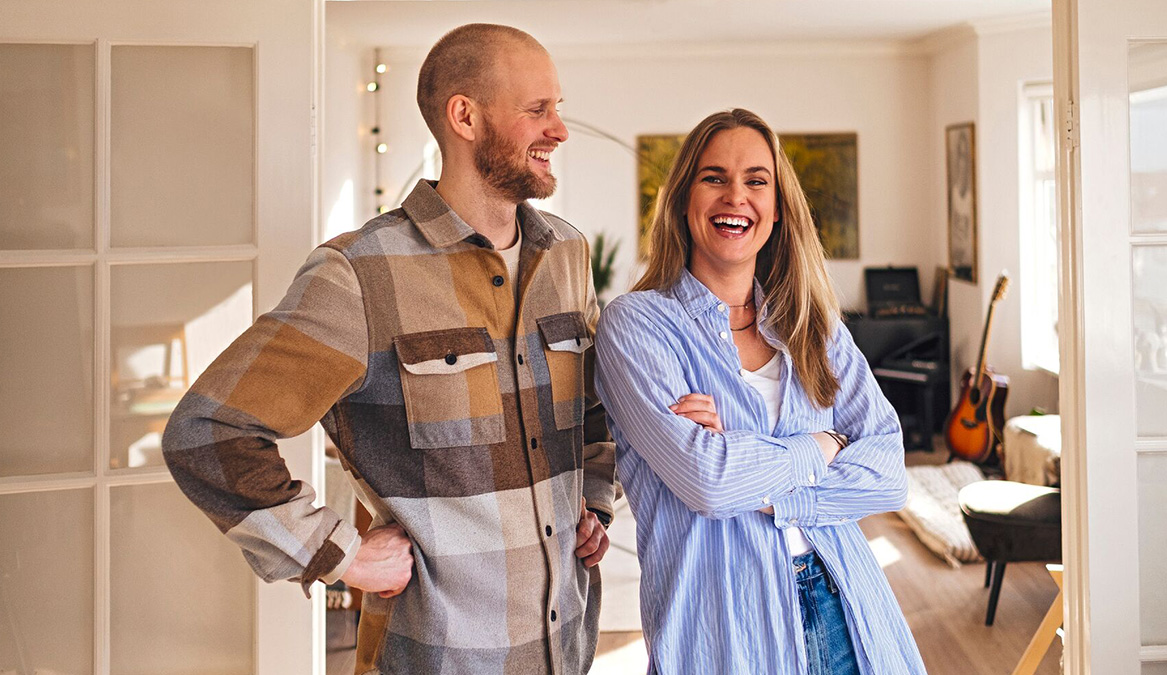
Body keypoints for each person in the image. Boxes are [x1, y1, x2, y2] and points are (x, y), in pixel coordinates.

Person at [162, 23, 617, 675]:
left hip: (565, 649)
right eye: (537, 109)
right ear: (465, 116)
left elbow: (595, 410)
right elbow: (207, 430)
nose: (560, 130)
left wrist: (592, 501)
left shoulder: (566, 254)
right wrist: (340, 554)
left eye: (558, 108)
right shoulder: (359, 274)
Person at [594, 108, 925, 674]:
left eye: (756, 181)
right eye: (714, 177)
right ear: (683, 199)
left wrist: (753, 471)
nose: (735, 197)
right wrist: (822, 445)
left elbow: (890, 474)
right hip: (725, 624)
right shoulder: (637, 325)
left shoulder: (814, 325)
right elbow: (710, 482)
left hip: (846, 599)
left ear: (776, 208)